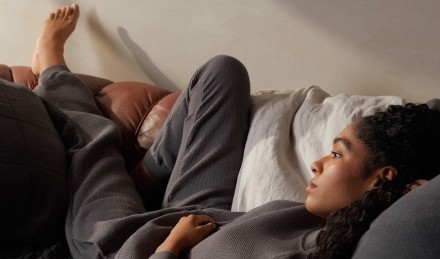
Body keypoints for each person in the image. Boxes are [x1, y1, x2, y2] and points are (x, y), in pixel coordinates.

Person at [2, 4, 439, 259]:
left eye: (339, 154)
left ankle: (52, 68)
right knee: (222, 73)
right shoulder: (337, 219)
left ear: (383, 177)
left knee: (94, 145)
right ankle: (141, 180)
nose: (318, 162)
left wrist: (170, 248)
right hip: (205, 213)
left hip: (126, 241)